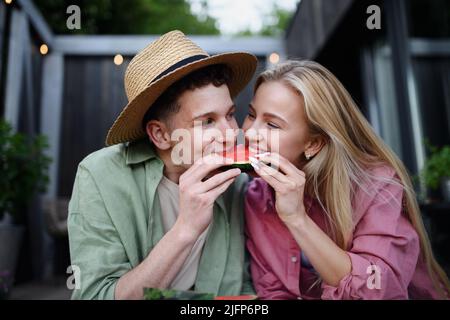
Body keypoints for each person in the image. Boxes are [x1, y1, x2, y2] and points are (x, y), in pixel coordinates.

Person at [67, 30, 257, 299]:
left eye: (230, 114)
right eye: (207, 122)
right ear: (160, 134)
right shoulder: (98, 176)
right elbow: (95, 295)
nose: (230, 134)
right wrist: (186, 229)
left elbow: (246, 286)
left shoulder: (236, 179)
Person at [243, 60, 450, 299]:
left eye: (272, 124)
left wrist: (297, 219)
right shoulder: (257, 196)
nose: (249, 133)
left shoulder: (377, 187)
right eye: (251, 115)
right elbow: (272, 292)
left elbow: (378, 290)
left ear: (314, 143)